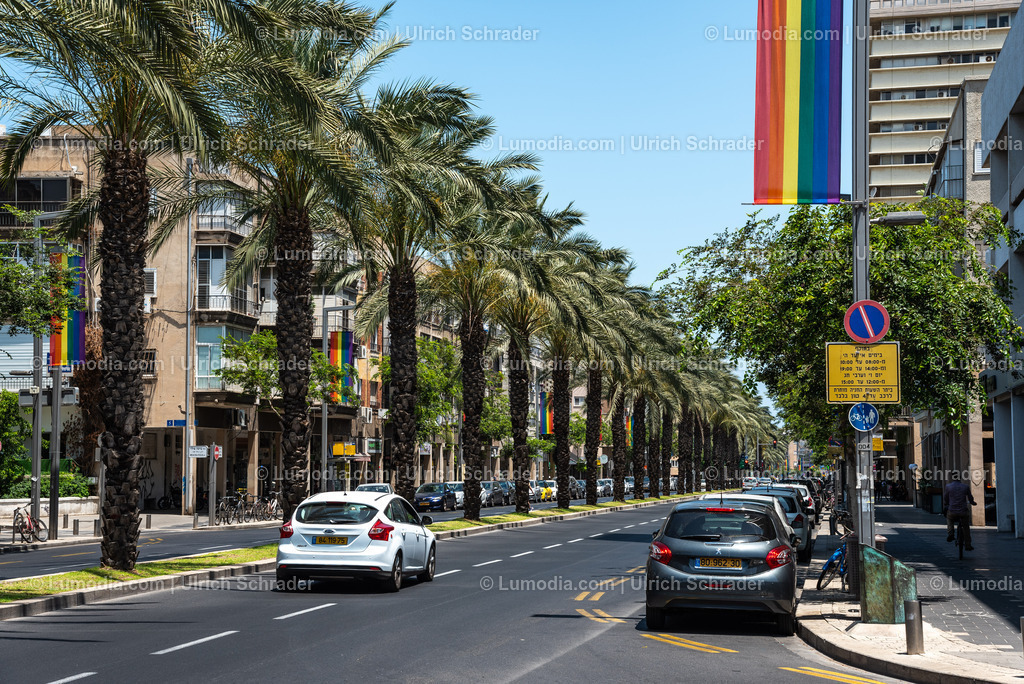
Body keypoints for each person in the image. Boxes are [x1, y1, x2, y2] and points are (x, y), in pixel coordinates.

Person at [943, 472, 977, 550]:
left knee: (949, 519)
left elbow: (945, 498)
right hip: (963, 511)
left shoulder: (948, 486)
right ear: (960, 477)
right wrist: (973, 503)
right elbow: (970, 498)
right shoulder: (965, 486)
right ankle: (968, 545)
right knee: (966, 527)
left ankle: (951, 533)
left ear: (953, 478)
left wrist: (946, 504)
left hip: (952, 511)